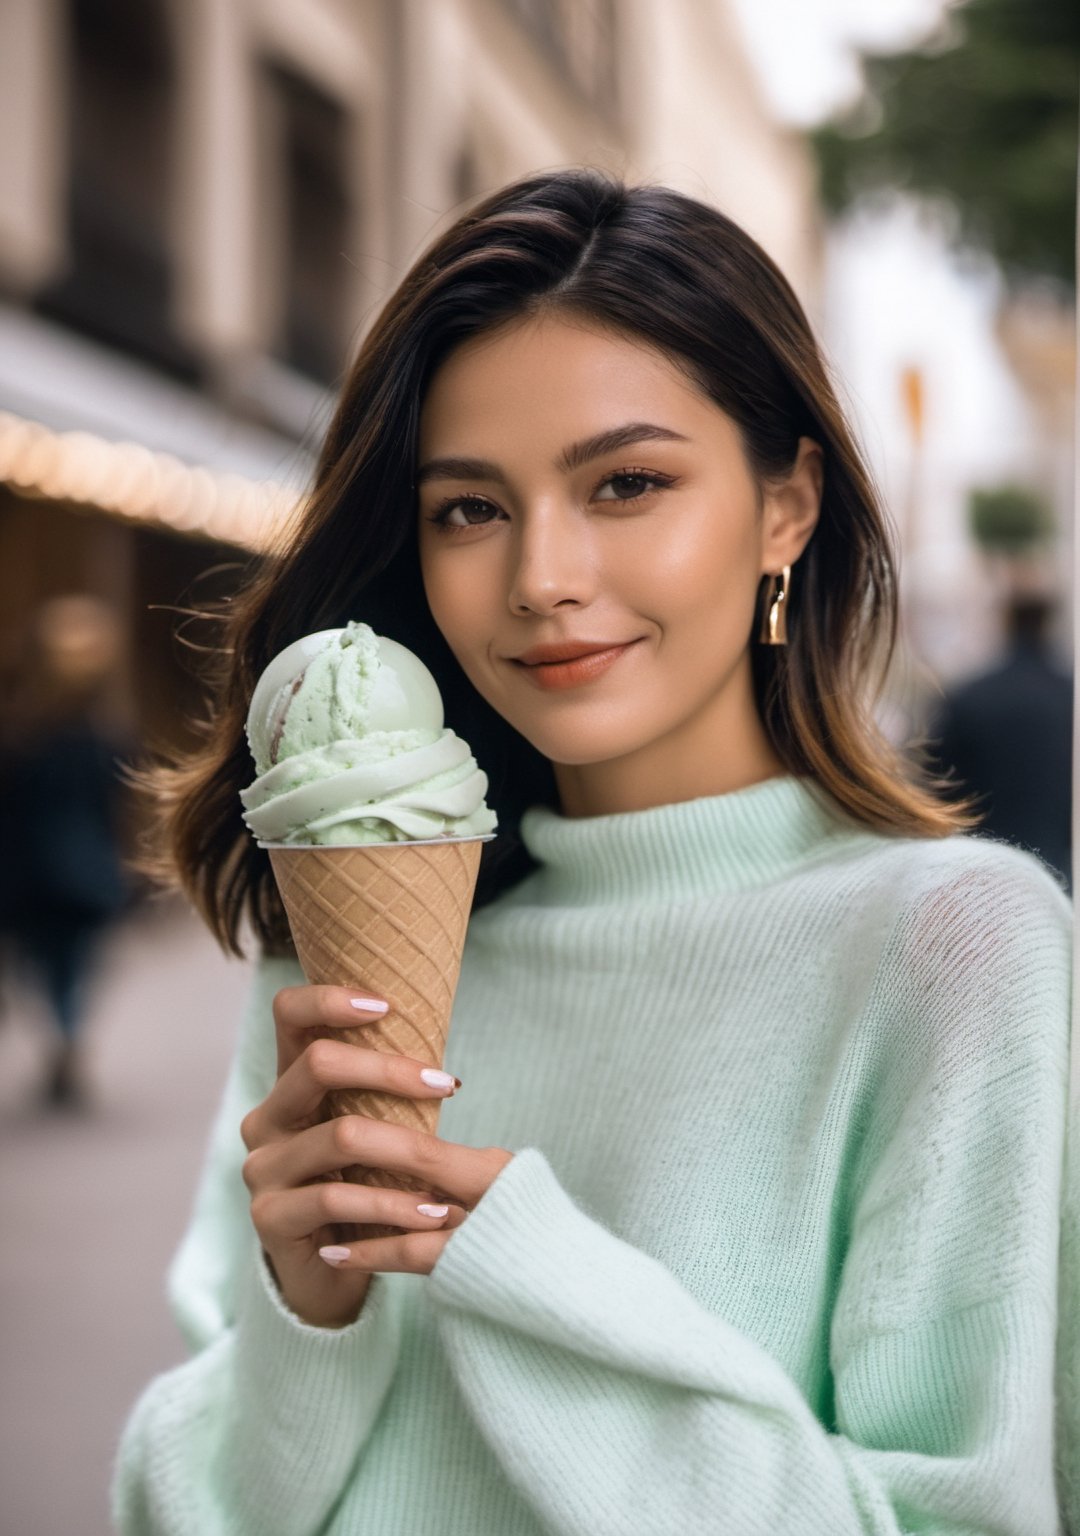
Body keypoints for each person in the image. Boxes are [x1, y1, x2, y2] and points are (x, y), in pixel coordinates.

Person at [111, 170, 1074, 1534]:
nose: (541, 576)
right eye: (468, 508)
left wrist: (519, 1264)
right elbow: (181, 1506)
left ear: (786, 507)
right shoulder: (347, 949)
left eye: (627, 483)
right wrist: (305, 1316)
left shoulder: (955, 947)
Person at [0, 595, 132, 1106]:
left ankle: (63, 1032)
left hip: (33, 875)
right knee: (74, 965)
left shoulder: (22, 738)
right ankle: (68, 1031)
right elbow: (116, 810)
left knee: (45, 964)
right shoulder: (105, 739)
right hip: (84, 872)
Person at [924, 585, 1073, 896]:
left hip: (985, 875)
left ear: (1006, 622)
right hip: (1062, 871)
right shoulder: (1069, 696)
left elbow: (938, 785)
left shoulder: (970, 696)